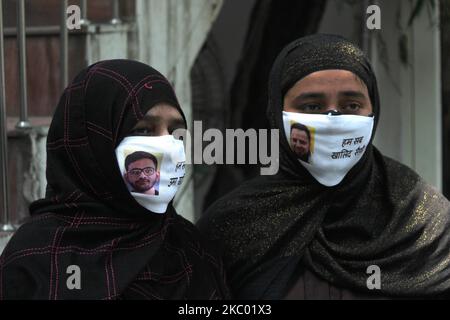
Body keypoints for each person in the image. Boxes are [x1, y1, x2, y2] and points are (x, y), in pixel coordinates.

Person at [197, 34, 450, 299]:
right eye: (312, 106)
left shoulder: (421, 219)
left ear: (373, 111)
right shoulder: (232, 226)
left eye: (351, 105)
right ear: (276, 112)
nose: (332, 119)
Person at [0, 60, 230, 300]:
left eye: (175, 132)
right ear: (94, 143)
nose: (168, 148)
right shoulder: (35, 262)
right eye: (143, 130)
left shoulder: (192, 250)